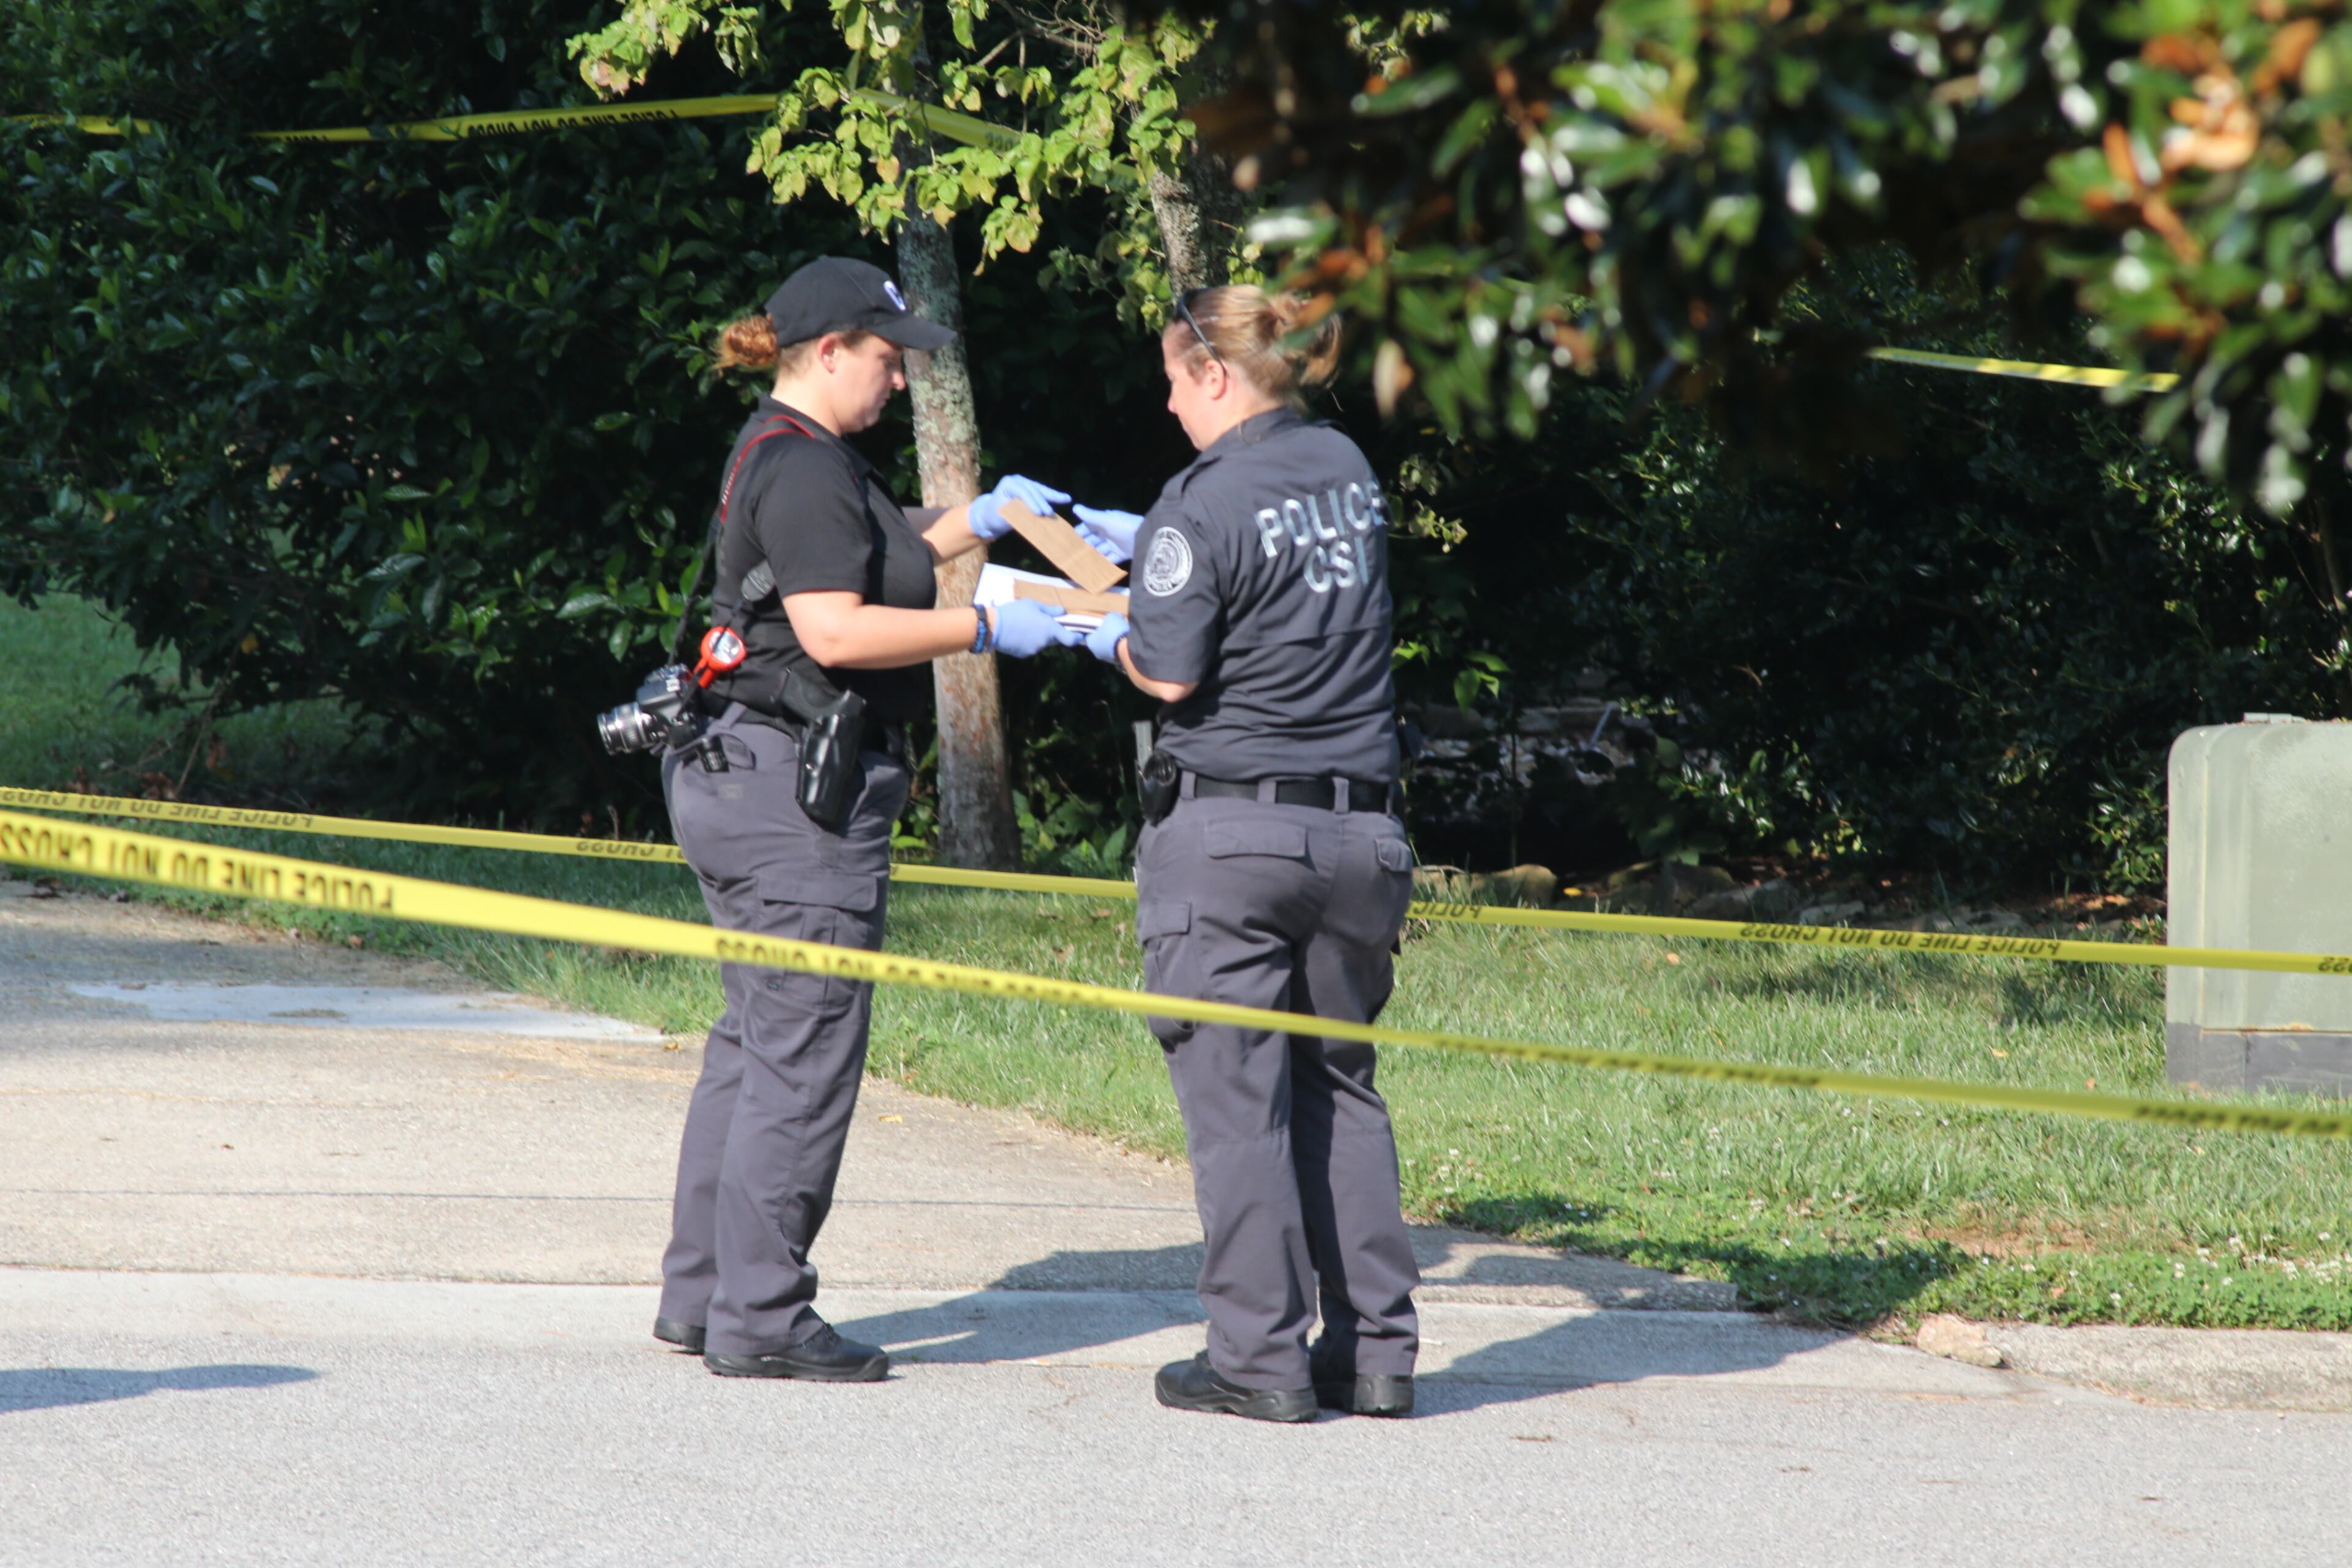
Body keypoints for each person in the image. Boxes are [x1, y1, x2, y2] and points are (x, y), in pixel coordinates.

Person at [652, 257, 1081, 1381]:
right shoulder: (801, 471)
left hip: (742, 776)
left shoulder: (800, 456)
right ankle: (761, 1317)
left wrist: (984, 518)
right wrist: (987, 629)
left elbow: (878, 549)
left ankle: (704, 1293)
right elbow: (838, 630)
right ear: (830, 351)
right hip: (797, 799)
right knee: (803, 1052)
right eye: (889, 360)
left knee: (755, 1041)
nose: (900, 381)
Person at [1071, 286, 1421, 1422]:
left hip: (1230, 832)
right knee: (1340, 1088)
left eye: (1175, 380)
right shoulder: (1346, 468)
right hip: (1360, 831)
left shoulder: (1196, 503)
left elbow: (1169, 671)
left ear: (1217, 377)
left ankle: (1258, 1361)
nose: (1168, 404)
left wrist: (1098, 623)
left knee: (1237, 1101)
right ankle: (1374, 1356)